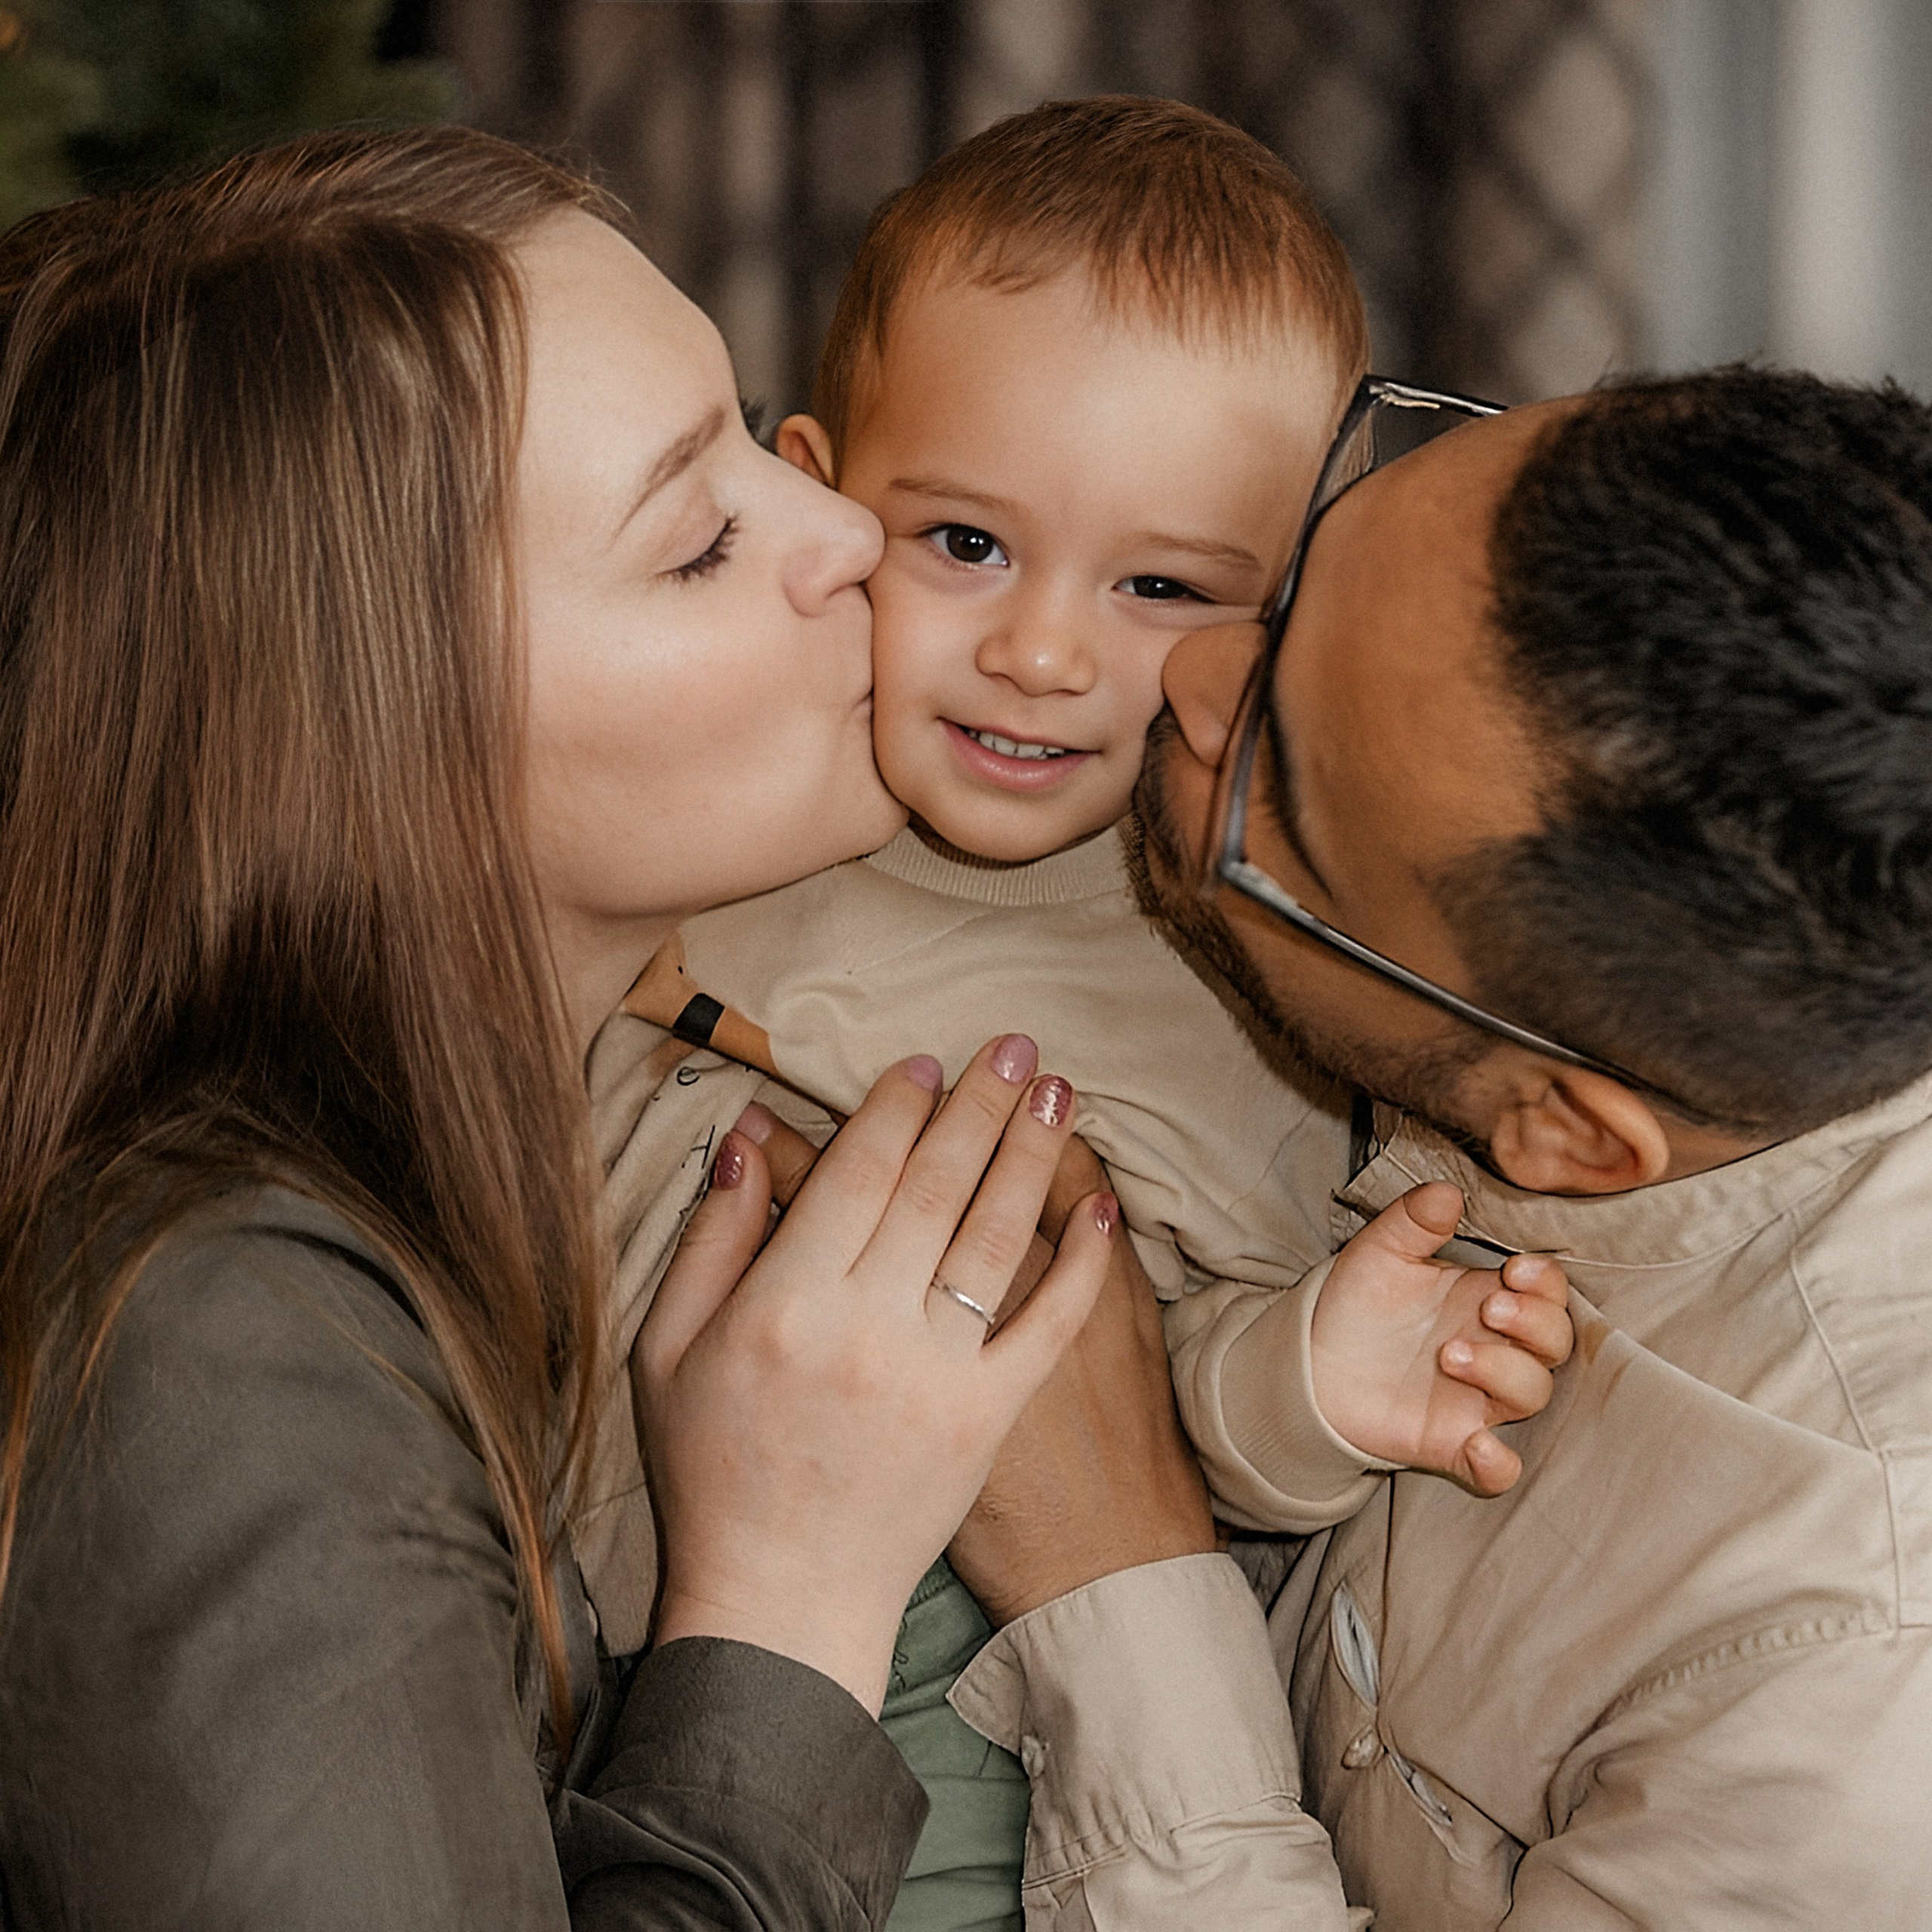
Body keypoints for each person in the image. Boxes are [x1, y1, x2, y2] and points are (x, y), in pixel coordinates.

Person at [0, 127, 1127, 1929]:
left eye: (759, 436)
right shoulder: (220, 1350)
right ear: (369, 758)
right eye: (695, 542)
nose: (851, 532)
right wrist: (784, 1602)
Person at [598, 99, 1572, 1932]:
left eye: (1156, 588)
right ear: (813, 497)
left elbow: (1167, 1457)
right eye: (963, 541)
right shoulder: (709, 811)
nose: (1041, 650)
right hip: (576, 1654)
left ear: (1285, 609)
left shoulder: (1246, 975)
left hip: (986, 1758)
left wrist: (1313, 1374)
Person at [910, 365, 1932, 1927]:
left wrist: (1107, 1573)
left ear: (1560, 1130)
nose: (1188, 670)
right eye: (1310, 561)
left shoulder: (1845, 1709)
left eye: (1277, 799)